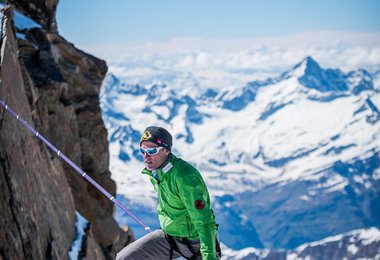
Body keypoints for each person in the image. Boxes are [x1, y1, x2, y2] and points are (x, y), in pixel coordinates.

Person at [116, 126, 221, 260]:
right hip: (169, 238)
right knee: (124, 258)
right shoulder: (156, 171)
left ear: (166, 150)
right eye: (142, 151)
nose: (146, 156)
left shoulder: (184, 177)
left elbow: (205, 222)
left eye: (152, 151)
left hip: (197, 243)